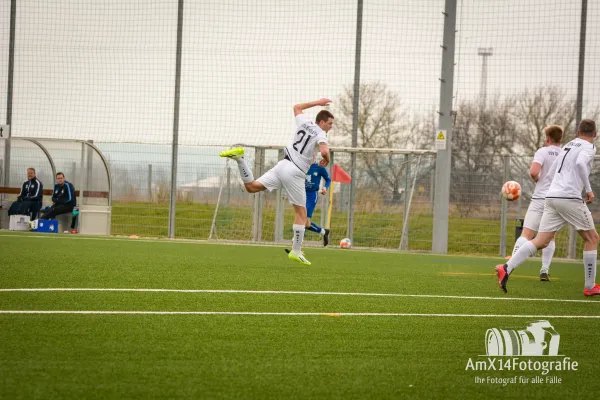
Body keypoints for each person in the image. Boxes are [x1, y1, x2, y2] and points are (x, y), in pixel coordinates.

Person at [220, 98, 333, 265]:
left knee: (252, 187)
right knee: (302, 215)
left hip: (283, 164)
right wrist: (327, 159)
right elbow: (324, 151)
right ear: (321, 122)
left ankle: (240, 159)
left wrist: (317, 102)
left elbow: (297, 106)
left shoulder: (304, 122)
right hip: (295, 172)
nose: (331, 126)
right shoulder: (320, 133)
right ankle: (296, 251)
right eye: (330, 123)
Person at [496, 119, 600, 297]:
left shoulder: (568, 145)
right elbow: (581, 164)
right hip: (569, 198)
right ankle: (590, 287)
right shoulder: (589, 147)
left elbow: (551, 173)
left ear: (577, 131)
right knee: (592, 238)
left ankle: (507, 267)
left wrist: (554, 189)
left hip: (551, 197)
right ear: (595, 134)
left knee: (541, 241)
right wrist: (588, 190)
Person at [510, 125, 563, 281]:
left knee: (526, 234)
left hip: (540, 197)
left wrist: (537, 180)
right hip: (557, 199)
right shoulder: (565, 153)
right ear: (560, 139)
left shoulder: (542, 151)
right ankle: (544, 270)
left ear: (547, 138)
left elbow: (534, 171)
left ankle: (509, 266)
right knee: (549, 237)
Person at [304, 162, 331, 246]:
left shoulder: (319, 168)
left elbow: (328, 179)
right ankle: (324, 232)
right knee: (306, 223)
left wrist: (325, 187)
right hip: (301, 194)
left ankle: (297, 240)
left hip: (311, 196)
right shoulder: (301, 165)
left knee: (304, 220)